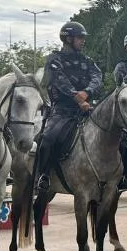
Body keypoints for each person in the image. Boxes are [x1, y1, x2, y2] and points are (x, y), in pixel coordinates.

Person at [33, 22, 103, 194]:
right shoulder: (54, 59)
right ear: (68, 38)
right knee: (47, 138)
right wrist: (76, 97)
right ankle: (43, 176)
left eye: (83, 38)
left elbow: (97, 77)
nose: (83, 41)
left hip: (86, 109)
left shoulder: (87, 61)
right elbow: (59, 80)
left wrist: (87, 92)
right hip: (62, 111)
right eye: (80, 37)